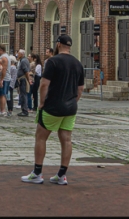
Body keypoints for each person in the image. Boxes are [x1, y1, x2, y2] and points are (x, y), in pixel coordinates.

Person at [22, 33, 85, 185]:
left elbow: (44, 84)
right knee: (66, 139)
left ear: (58, 44)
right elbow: (80, 89)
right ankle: (62, 175)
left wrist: (41, 102)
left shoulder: (53, 61)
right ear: (69, 46)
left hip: (53, 105)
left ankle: (37, 172)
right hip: (70, 107)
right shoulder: (78, 63)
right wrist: (73, 101)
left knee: (41, 136)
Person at [0, 45, 10, 117]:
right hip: (4, 78)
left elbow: (4, 69)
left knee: (2, 95)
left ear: (1, 50)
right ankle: (2, 110)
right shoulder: (4, 56)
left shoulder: (4, 58)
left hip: (3, 78)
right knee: (2, 94)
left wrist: (1, 80)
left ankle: (2, 110)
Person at [16, 49, 31, 117]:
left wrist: (28, 80)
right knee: (22, 95)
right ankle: (24, 109)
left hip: (23, 79)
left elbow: (26, 71)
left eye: (18, 54)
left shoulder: (23, 61)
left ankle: (24, 111)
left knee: (23, 95)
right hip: (22, 79)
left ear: (22, 54)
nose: (17, 55)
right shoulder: (23, 60)